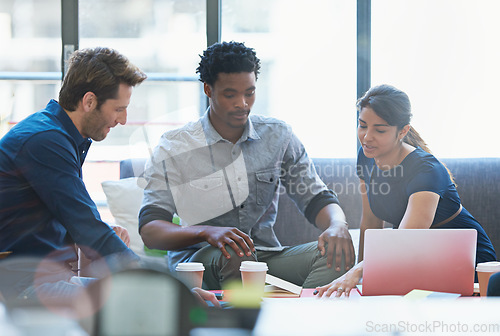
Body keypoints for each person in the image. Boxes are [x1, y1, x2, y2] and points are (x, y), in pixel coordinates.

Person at [0, 47, 219, 308]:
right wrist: (161, 288)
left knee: (150, 299)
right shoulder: (45, 141)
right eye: (119, 109)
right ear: (89, 101)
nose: (124, 120)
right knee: (146, 303)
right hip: (21, 285)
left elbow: (63, 223)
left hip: (44, 278)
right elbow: (86, 226)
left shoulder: (59, 135)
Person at [139, 41, 355, 290]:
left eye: (249, 93)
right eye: (230, 94)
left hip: (264, 258)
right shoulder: (175, 146)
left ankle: (298, 320)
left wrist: (338, 225)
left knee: (337, 253)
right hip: (202, 261)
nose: (242, 103)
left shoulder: (278, 136)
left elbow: (316, 198)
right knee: (236, 254)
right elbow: (151, 230)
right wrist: (206, 232)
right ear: (208, 89)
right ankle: (243, 322)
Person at [315, 84, 497, 297]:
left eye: (380, 130)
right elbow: (371, 224)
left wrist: (357, 271)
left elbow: (406, 238)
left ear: (403, 131)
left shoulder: (426, 170)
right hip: (414, 259)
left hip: (462, 264)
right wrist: (361, 283)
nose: (367, 137)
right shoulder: (367, 156)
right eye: (362, 125)